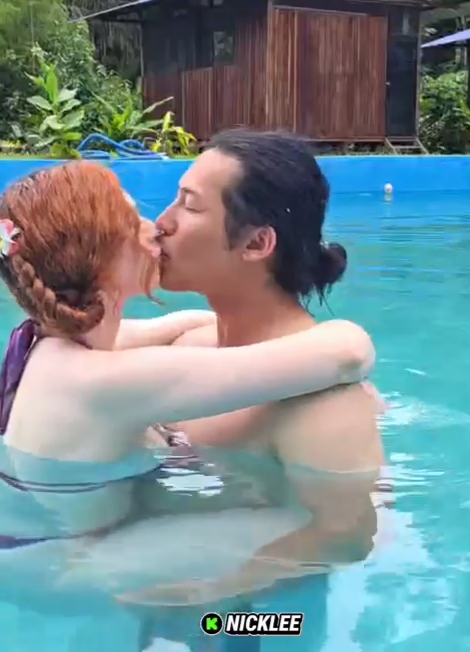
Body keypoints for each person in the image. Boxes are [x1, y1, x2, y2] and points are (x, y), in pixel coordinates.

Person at [0, 159, 376, 612]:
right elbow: (349, 353)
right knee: (318, 527)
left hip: (10, 534)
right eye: (131, 221)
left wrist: (263, 332)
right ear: (99, 259)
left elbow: (182, 324)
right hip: (57, 567)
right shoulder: (107, 383)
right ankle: (213, 616)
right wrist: (326, 361)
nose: (153, 227)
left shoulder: (44, 342)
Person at [121, 130, 388, 649]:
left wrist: (210, 595)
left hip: (262, 618)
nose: (162, 223)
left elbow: (347, 537)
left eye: (190, 206)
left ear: (256, 244)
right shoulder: (189, 342)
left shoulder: (322, 401)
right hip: (169, 587)